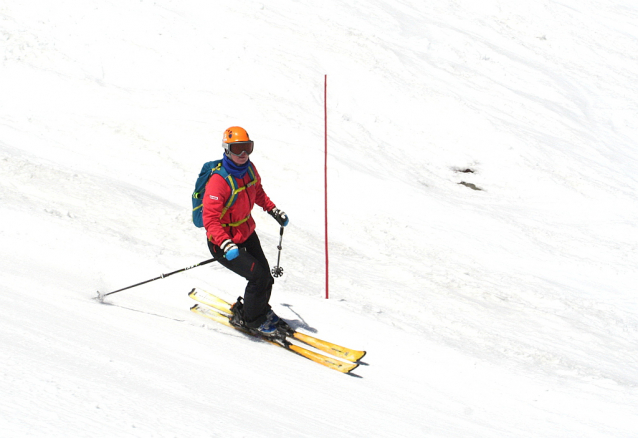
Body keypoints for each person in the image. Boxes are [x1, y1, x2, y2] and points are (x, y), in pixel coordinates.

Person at [202, 126, 289, 336]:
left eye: (247, 148)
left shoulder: (250, 169)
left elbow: (257, 191)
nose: (243, 154)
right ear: (227, 150)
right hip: (223, 243)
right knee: (257, 277)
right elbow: (210, 219)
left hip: (245, 233)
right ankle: (251, 320)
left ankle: (259, 309)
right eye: (238, 148)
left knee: (266, 276)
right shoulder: (218, 182)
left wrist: (272, 209)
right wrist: (225, 243)